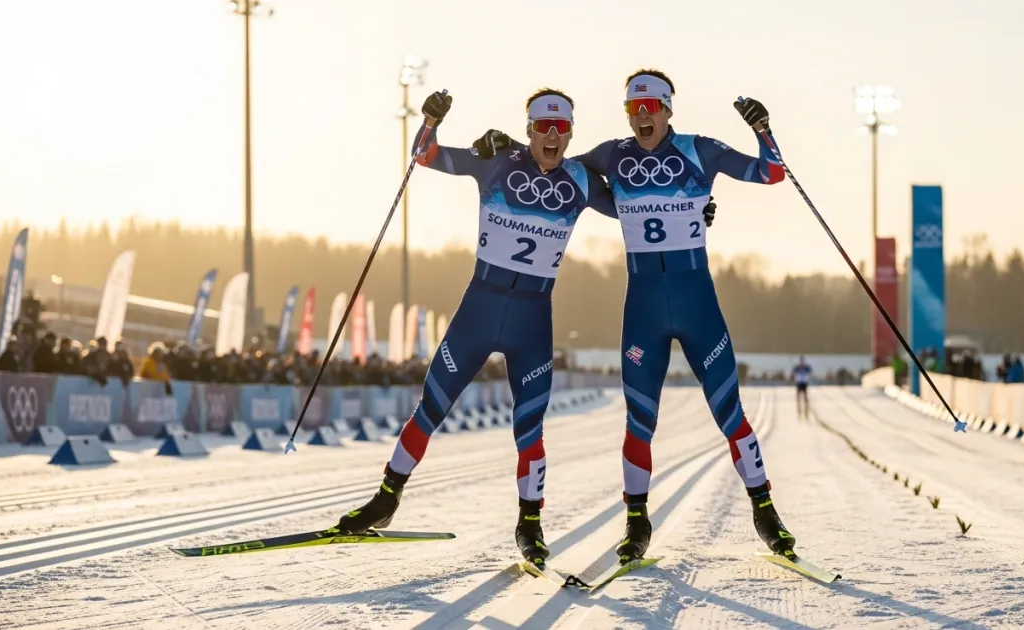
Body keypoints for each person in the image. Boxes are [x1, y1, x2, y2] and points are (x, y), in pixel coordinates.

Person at [330, 88, 718, 569]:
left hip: (532, 321)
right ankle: (386, 499)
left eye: (561, 128)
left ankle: (529, 526)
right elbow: (424, 156)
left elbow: (638, 203)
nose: (552, 136)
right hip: (479, 310)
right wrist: (431, 120)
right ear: (529, 128)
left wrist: (697, 208)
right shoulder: (496, 161)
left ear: (571, 133)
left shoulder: (578, 177)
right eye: (542, 126)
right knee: (430, 407)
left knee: (529, 429)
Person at [476, 69, 795, 563]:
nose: (643, 118)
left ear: (668, 109)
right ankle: (636, 523)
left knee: (729, 412)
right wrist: (502, 148)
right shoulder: (611, 155)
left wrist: (763, 129)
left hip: (697, 304)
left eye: (651, 108)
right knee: (639, 422)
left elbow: (772, 173)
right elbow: (552, 166)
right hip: (643, 306)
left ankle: (765, 510)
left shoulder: (699, 150)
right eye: (634, 110)